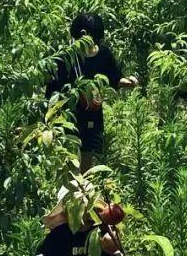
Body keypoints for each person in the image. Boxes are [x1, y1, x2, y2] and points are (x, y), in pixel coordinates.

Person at [46, 13, 138, 172]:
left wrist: (128, 82)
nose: (93, 46)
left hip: (93, 113)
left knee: (89, 154)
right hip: (69, 115)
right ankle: (70, 189)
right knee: (70, 156)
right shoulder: (67, 57)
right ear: (82, 35)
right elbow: (52, 91)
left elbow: (114, 78)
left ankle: (85, 190)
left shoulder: (104, 54)